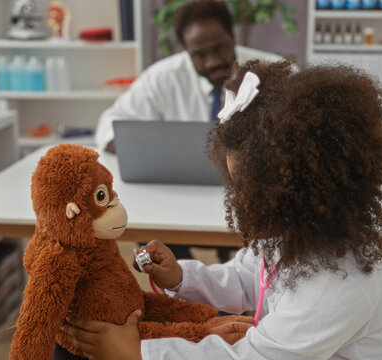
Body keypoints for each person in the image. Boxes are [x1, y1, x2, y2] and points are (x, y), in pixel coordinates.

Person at [61, 60, 382, 359]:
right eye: (234, 184)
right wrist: (181, 278)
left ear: (302, 191)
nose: (237, 200)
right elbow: (246, 277)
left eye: (248, 188)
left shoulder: (337, 285)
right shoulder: (294, 236)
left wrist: (137, 353)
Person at [96, 0, 282, 262]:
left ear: (232, 37)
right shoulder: (162, 78)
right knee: (155, 236)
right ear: (187, 51)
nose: (213, 61)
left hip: (251, 197)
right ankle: (190, 293)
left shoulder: (271, 71)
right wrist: (136, 144)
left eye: (219, 48)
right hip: (181, 200)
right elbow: (110, 123)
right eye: (200, 55)